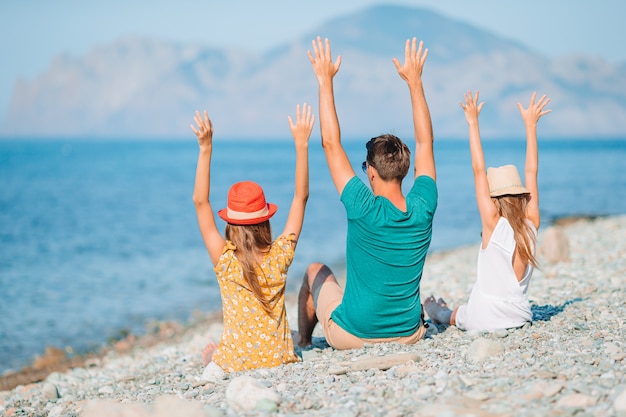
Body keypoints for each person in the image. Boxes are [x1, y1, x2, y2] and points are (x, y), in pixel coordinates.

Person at [296, 37, 437, 350]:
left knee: (315, 270)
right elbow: (426, 143)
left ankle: (304, 340)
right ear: (406, 168)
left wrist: (324, 81)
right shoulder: (424, 205)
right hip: (409, 333)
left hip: (354, 335)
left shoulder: (363, 207)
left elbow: (330, 144)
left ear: (371, 172)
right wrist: (415, 82)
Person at [190, 102, 315, 373]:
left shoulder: (225, 261)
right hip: (278, 359)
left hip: (235, 363)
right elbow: (300, 198)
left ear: (231, 225)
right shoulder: (280, 256)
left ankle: (214, 356)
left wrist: (205, 148)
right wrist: (302, 145)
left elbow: (200, 203)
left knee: (214, 354)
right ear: (266, 221)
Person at [424, 91, 551, 331]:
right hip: (518, 317)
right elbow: (532, 171)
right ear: (522, 195)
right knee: (467, 310)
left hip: (482, 317)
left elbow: (477, 169)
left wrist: (472, 122)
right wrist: (531, 126)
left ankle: (438, 312)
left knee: (457, 314)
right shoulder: (532, 223)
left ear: (494, 199)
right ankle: (442, 311)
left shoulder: (492, 223)